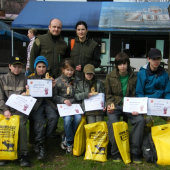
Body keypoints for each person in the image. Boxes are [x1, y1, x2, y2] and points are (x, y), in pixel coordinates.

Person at [105, 52, 145, 164]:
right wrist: (110, 105)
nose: (122, 66)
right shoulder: (110, 76)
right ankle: (115, 151)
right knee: (112, 121)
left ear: (128, 64)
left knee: (140, 120)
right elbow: (108, 94)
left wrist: (138, 108)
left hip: (130, 106)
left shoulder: (134, 76)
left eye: (124, 64)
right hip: (116, 105)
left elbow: (137, 94)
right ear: (116, 65)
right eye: (120, 64)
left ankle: (134, 151)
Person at [0, 56, 30, 167]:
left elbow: (30, 98)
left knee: (21, 126)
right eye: (14, 66)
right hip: (5, 110)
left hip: (20, 111)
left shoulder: (26, 79)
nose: (17, 69)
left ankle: (23, 154)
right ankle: (3, 153)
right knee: (4, 127)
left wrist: (27, 92)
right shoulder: (2, 79)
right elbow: (0, 98)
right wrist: (5, 110)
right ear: (9, 66)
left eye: (19, 67)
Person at [28, 56, 58, 160]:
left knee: (54, 118)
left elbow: (53, 96)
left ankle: (42, 140)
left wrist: (53, 87)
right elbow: (28, 95)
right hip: (36, 104)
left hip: (48, 102)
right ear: (35, 67)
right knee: (39, 120)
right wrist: (27, 89)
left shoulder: (49, 78)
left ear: (46, 68)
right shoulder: (31, 78)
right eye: (39, 66)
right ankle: (41, 146)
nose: (41, 69)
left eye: (43, 66)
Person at [54, 59, 81, 154]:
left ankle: (66, 137)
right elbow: (54, 96)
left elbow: (79, 94)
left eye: (71, 70)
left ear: (74, 71)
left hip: (74, 105)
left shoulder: (77, 81)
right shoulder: (57, 81)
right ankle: (70, 143)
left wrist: (73, 101)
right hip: (63, 107)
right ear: (63, 70)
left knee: (78, 118)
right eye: (67, 70)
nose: (69, 72)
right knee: (68, 120)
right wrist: (63, 100)